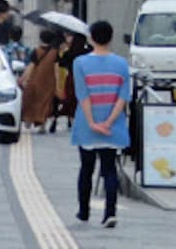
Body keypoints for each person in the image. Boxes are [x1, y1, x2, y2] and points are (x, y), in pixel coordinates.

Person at [71, 21, 129, 228]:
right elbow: (123, 97)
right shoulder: (122, 64)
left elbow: (82, 95)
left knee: (86, 168)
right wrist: (109, 122)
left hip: (87, 126)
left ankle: (84, 211)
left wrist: (92, 122)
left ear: (91, 38)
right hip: (112, 126)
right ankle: (110, 212)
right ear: (111, 37)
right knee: (109, 168)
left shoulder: (80, 63)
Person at [20, 30, 60, 133]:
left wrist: (23, 78)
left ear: (41, 39)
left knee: (33, 100)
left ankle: (29, 119)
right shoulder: (55, 52)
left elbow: (31, 66)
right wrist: (58, 84)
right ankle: (42, 125)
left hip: (36, 80)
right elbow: (56, 69)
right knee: (45, 103)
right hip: (49, 82)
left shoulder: (36, 51)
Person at [50, 33, 88, 134]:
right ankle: (75, 122)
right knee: (78, 101)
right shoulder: (86, 51)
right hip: (84, 80)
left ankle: (58, 118)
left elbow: (61, 62)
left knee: (69, 100)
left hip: (71, 78)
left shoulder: (70, 53)